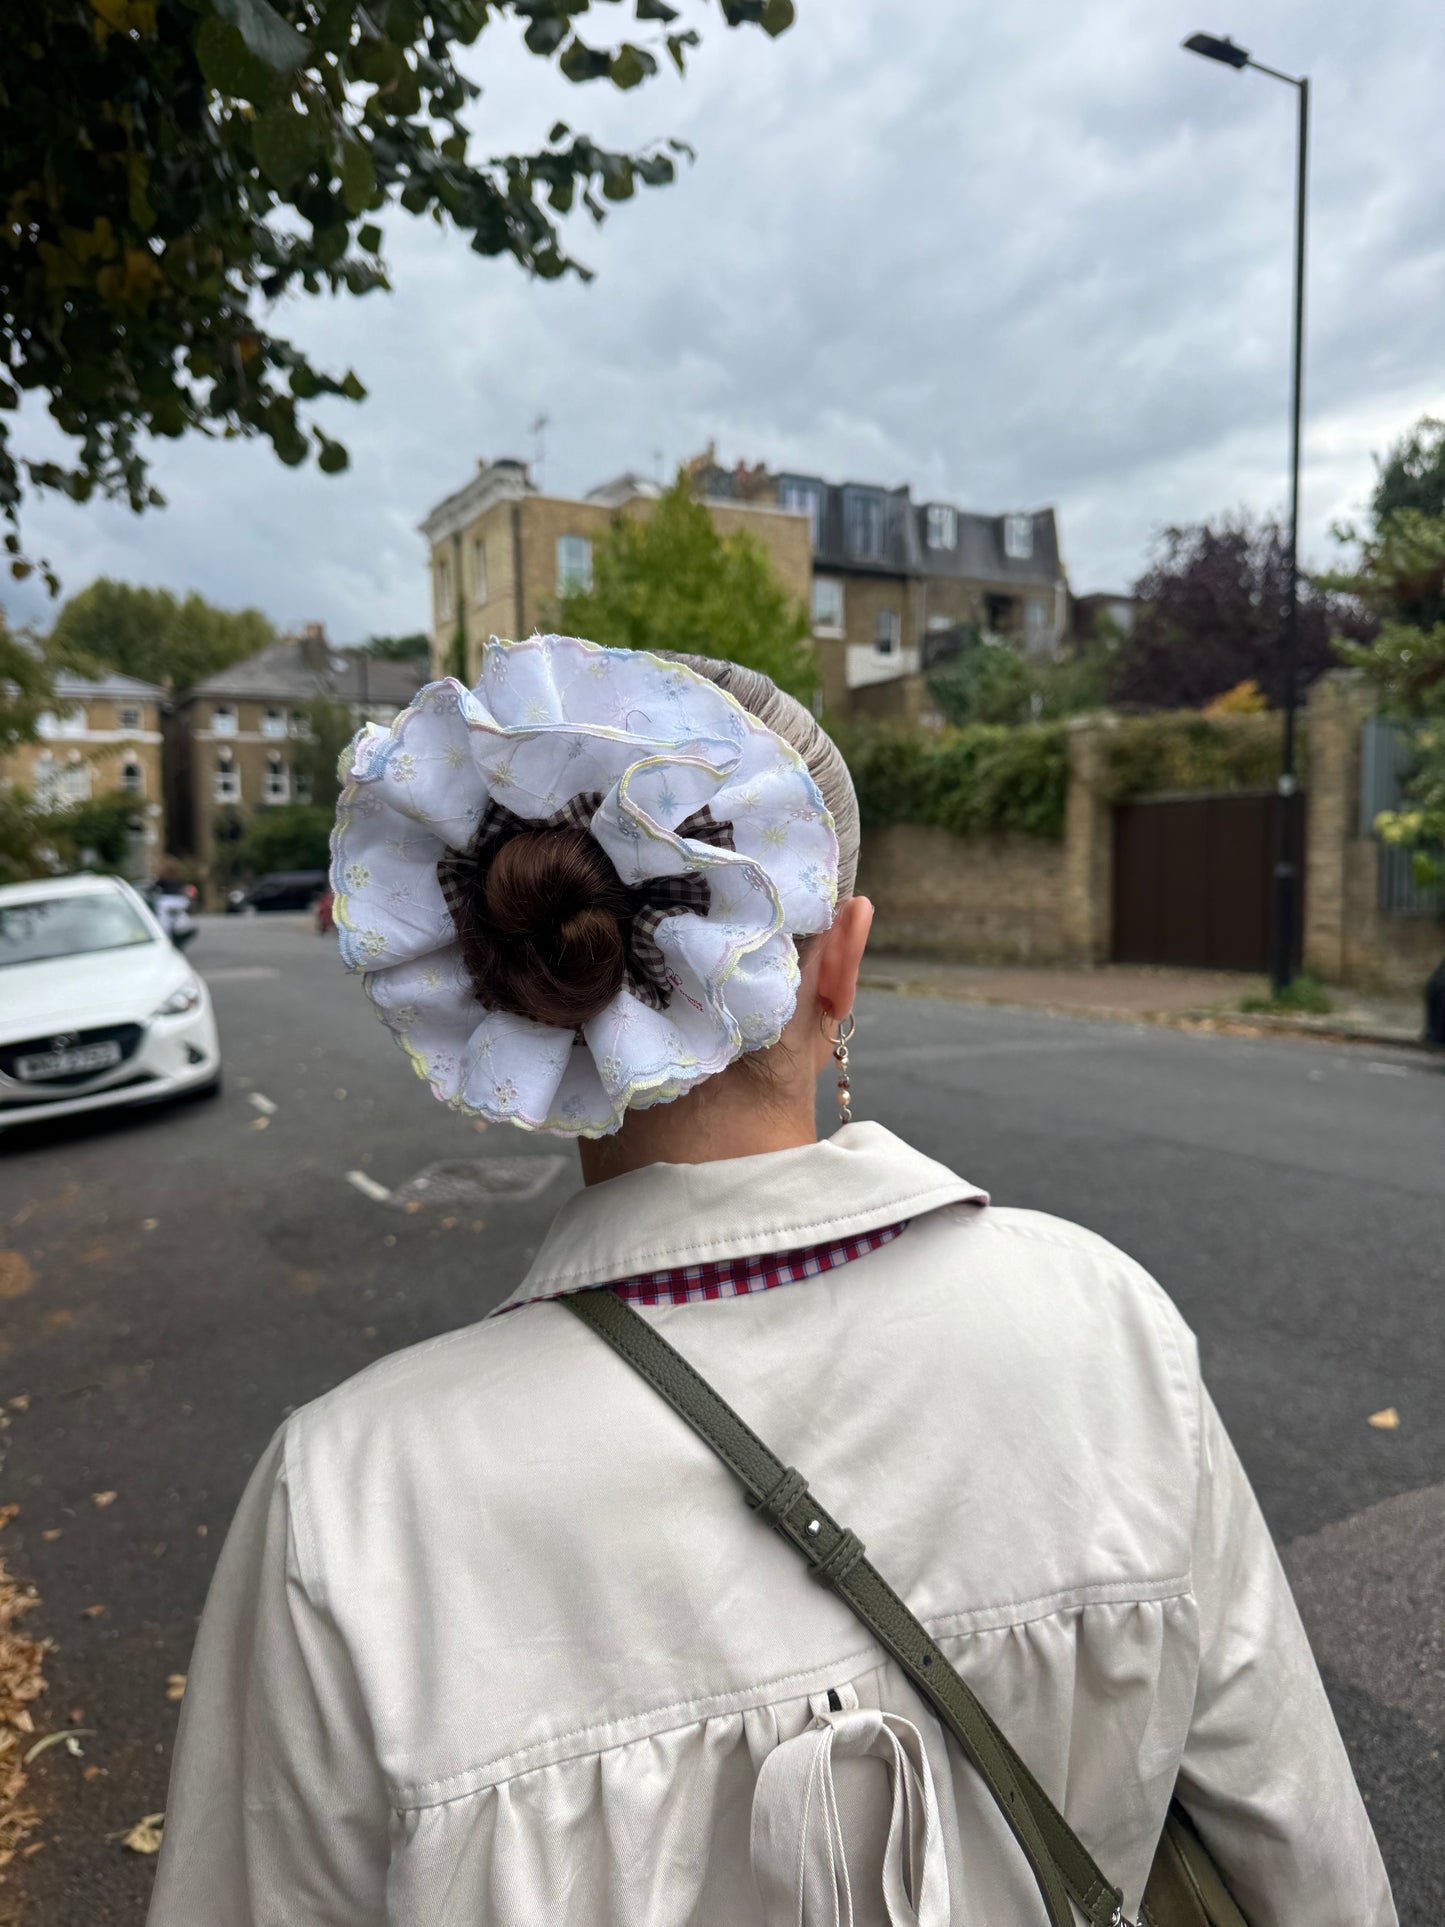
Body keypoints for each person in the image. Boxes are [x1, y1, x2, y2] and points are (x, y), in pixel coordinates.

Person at [148, 635, 1394, 1926]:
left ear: (500, 991)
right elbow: (1301, 1853)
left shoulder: (350, 1502)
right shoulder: (1102, 1320)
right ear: (839, 959)